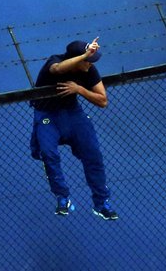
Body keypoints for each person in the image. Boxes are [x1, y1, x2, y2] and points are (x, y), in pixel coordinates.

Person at [29, 38, 117, 220]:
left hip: (72, 113)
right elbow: (58, 69)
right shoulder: (55, 62)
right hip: (47, 114)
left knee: (93, 155)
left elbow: (103, 100)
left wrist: (79, 89)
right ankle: (62, 197)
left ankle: (101, 203)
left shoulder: (88, 69)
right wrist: (85, 55)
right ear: (77, 59)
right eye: (87, 60)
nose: (90, 64)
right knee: (49, 154)